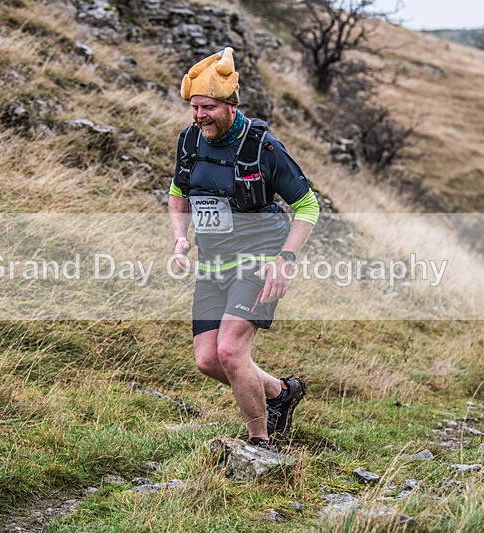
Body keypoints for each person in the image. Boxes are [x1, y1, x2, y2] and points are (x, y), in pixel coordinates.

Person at [168, 47, 320, 448]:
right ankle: (279, 393)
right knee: (207, 359)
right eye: (194, 107)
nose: (199, 116)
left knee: (231, 351)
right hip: (212, 264)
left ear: (231, 105)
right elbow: (178, 194)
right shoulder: (190, 141)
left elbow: (307, 206)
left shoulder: (263, 148)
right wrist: (180, 237)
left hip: (258, 261)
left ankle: (259, 444)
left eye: (208, 108)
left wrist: (285, 260)